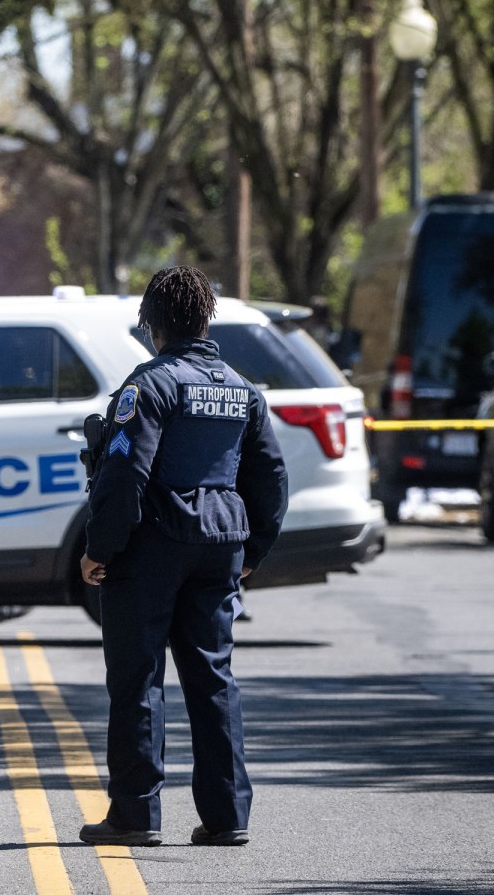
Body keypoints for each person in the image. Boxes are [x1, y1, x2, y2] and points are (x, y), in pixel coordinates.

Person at [78, 265, 287, 849]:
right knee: (213, 678)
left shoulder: (148, 386)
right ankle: (227, 816)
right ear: (206, 319)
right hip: (221, 547)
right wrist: (255, 550)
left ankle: (135, 816)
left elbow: (123, 476)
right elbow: (270, 476)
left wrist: (99, 550)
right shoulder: (241, 390)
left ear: (152, 324)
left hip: (153, 549)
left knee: (139, 680)